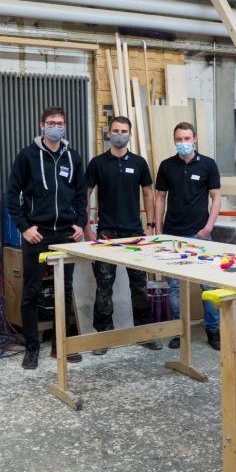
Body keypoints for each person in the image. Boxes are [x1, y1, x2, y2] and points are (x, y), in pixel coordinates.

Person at [5, 107, 88, 370]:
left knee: (64, 290)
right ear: (42, 125)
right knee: (32, 291)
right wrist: (24, 228)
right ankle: (32, 348)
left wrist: (80, 223)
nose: (56, 127)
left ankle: (59, 345)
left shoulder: (73, 157)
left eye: (60, 123)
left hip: (65, 233)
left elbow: (81, 194)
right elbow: (12, 195)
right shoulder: (27, 156)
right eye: (51, 123)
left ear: (65, 126)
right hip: (37, 234)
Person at [83, 116, 162, 354]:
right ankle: (104, 336)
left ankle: (143, 333)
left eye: (124, 131)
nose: (119, 134)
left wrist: (150, 225)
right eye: (115, 130)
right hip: (106, 233)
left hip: (134, 233)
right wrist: (87, 227)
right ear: (109, 134)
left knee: (139, 285)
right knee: (104, 286)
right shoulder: (97, 163)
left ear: (130, 134)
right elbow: (85, 195)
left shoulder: (139, 163)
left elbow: (148, 194)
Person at [154, 122, 222, 350]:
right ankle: (179, 331)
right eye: (179, 139)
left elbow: (216, 197)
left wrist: (208, 227)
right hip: (172, 236)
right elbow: (160, 198)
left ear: (195, 139)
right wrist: (159, 231)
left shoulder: (208, 165)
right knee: (175, 287)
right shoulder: (166, 166)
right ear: (174, 141)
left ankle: (213, 330)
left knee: (208, 287)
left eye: (186, 138)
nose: (183, 143)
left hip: (200, 236)